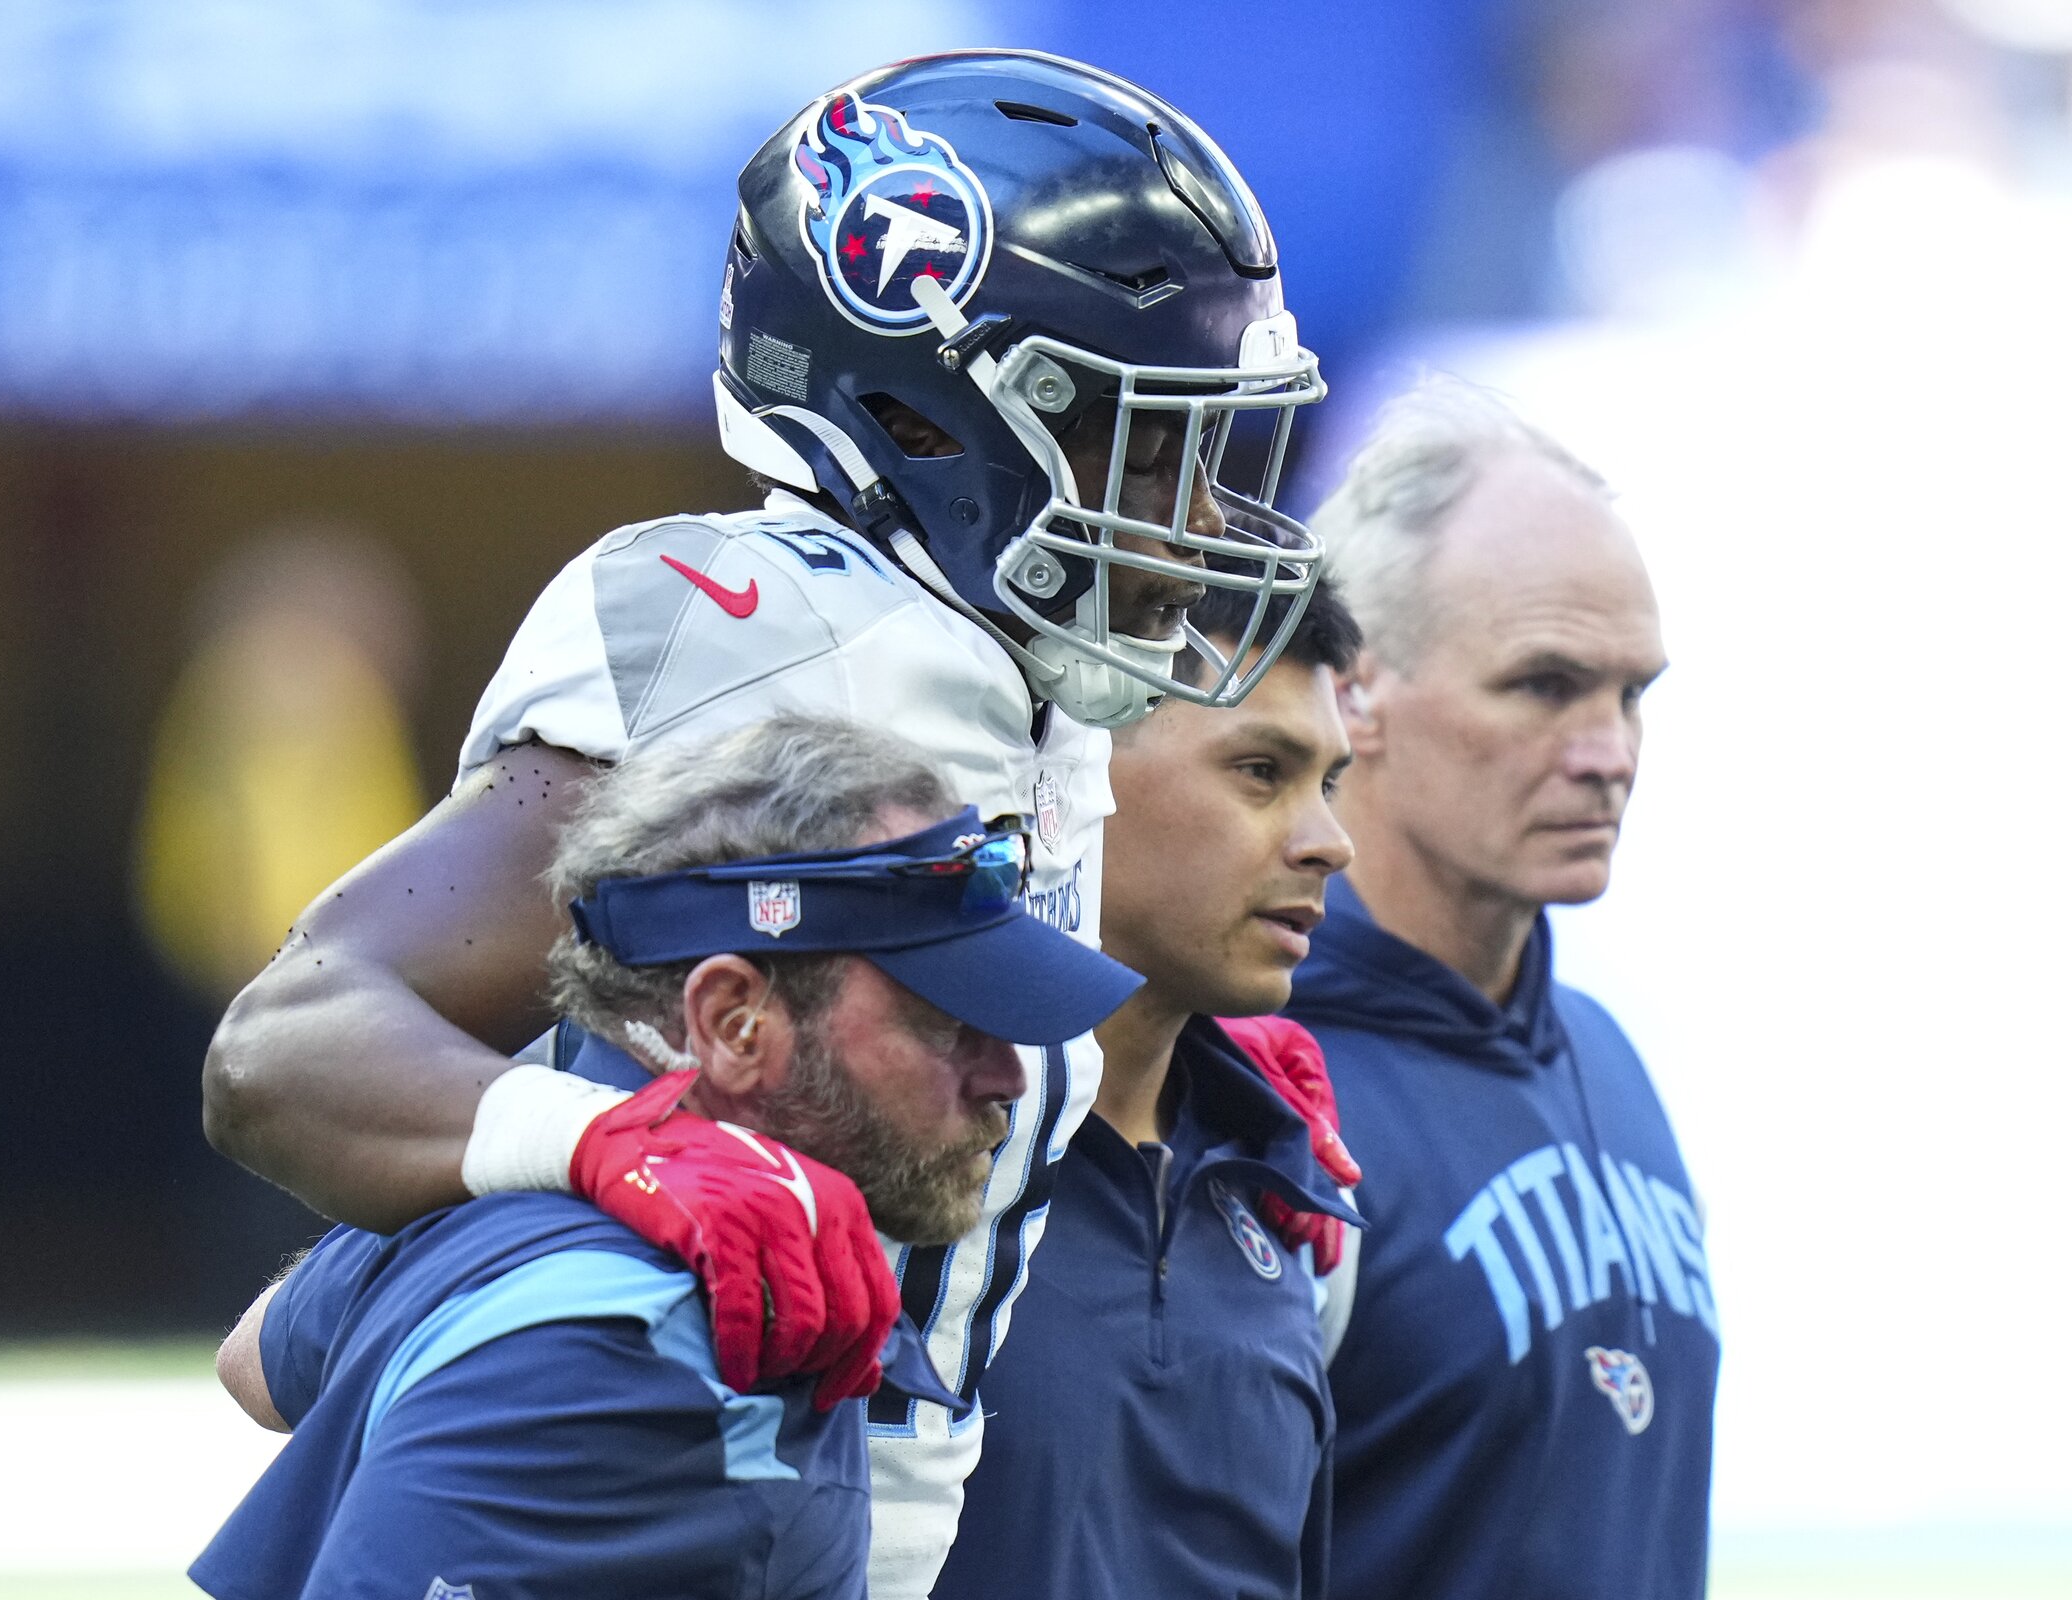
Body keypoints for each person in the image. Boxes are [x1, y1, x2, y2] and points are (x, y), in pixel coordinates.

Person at [196, 50, 1331, 1597]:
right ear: (931, 420)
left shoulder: (1021, 680)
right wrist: (619, 1150)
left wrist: (1158, 1061)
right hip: (666, 1503)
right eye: (1147, 444)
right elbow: (290, 1043)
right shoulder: (753, 629)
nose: (1199, 522)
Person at [193, 716, 1143, 1600]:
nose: (1007, 1078)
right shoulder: (629, 1347)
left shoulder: (533, 1181)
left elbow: (257, 1362)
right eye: (943, 1019)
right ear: (733, 1021)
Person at [1290, 381, 1720, 1599]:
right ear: (1355, 687)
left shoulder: (1604, 1056)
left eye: (1632, 693)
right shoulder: (1255, 1082)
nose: (1609, 752)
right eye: (1544, 685)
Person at [930, 585, 1365, 1600]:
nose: (1328, 840)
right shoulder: (890, 1157)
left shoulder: (1291, 1190)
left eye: (1329, 782)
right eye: (1261, 771)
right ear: (1077, 773)